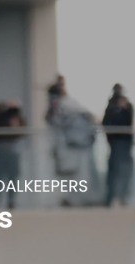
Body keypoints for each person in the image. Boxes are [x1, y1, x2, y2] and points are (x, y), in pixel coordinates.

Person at [47, 78, 96, 207]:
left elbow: (87, 119)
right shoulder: (58, 108)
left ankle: (78, 200)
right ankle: (69, 199)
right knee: (67, 176)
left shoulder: (69, 105)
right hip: (66, 147)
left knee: (79, 176)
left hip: (76, 146)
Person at [0, 100, 27, 209]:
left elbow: (23, 130)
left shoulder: (19, 118)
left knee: (12, 180)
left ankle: (11, 202)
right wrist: (4, 107)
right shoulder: (1, 116)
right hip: (0, 153)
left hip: (13, 154)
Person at [101, 84, 134, 206]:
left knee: (124, 171)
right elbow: (106, 123)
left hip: (124, 143)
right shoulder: (111, 108)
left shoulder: (127, 107)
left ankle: (121, 197)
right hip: (116, 143)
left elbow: (129, 122)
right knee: (116, 171)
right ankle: (113, 198)